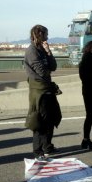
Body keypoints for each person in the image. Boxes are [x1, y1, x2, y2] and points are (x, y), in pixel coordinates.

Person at [25, 24, 61, 160]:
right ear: (39, 35)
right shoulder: (32, 51)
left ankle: (47, 147)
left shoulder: (42, 50)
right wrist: (47, 70)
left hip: (47, 88)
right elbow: (41, 71)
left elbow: (53, 67)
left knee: (51, 118)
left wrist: (48, 51)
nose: (47, 37)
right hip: (39, 91)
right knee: (39, 121)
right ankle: (38, 151)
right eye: (46, 34)